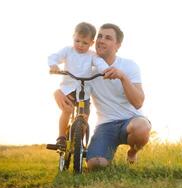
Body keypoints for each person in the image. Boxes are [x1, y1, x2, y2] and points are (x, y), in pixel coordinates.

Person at [54, 23, 151, 170]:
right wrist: (57, 92)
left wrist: (122, 77)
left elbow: (138, 102)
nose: (101, 40)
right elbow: (70, 82)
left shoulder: (129, 66)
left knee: (142, 127)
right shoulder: (88, 67)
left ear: (117, 45)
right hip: (105, 125)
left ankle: (132, 152)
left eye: (108, 38)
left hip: (130, 120)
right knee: (96, 165)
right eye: (99, 36)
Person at [48, 22, 97, 147]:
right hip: (68, 89)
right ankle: (61, 137)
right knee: (67, 110)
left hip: (84, 92)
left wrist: (106, 70)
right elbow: (54, 57)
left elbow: (100, 64)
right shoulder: (68, 51)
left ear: (92, 43)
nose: (80, 45)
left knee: (85, 116)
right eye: (77, 41)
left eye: (85, 43)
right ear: (73, 36)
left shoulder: (92, 55)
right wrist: (54, 65)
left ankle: (79, 143)